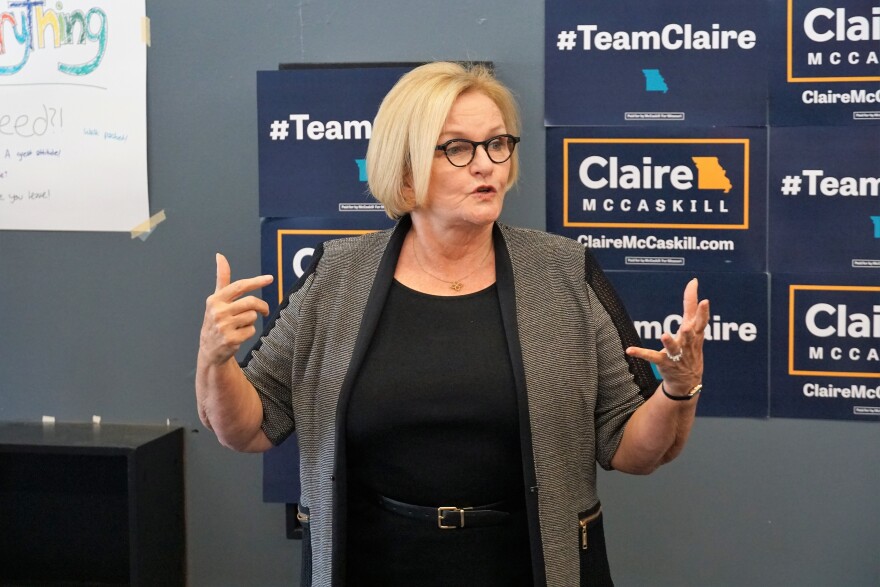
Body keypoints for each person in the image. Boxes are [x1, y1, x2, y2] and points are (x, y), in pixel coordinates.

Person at [196, 61, 710, 587]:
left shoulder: (562, 271)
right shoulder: (337, 277)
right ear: (406, 168)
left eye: (497, 144)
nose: (486, 165)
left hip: (528, 563)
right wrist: (215, 361)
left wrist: (677, 390)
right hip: (374, 561)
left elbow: (631, 449)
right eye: (458, 148)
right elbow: (251, 427)